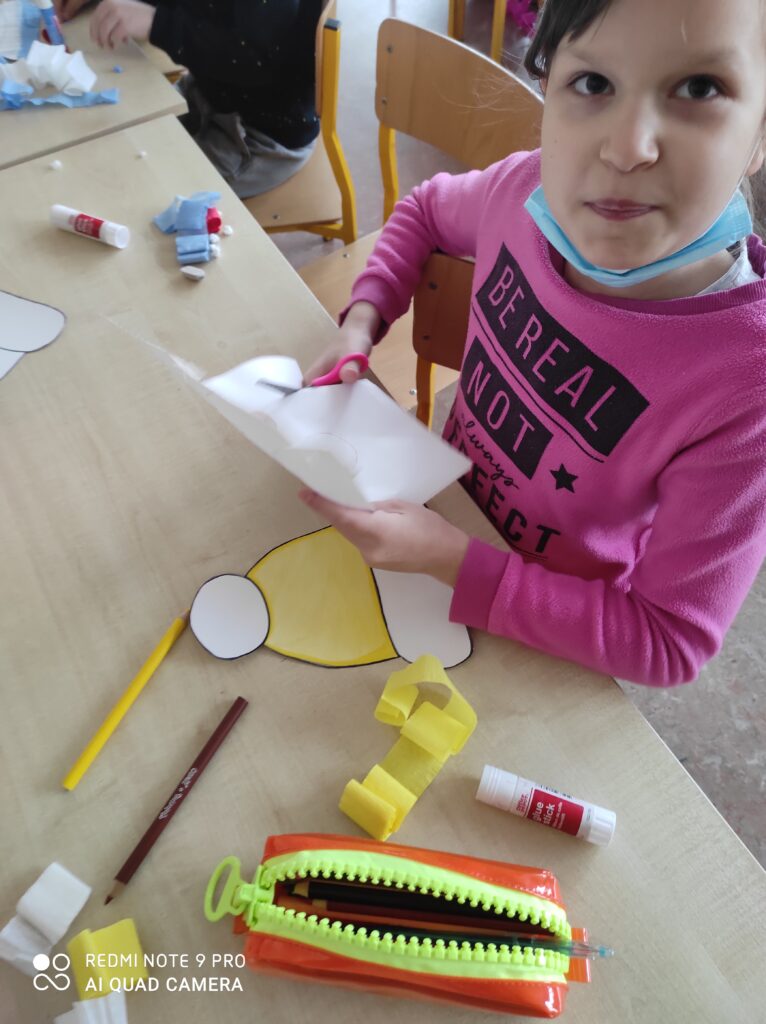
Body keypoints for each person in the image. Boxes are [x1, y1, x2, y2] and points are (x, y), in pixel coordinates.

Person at [300, 0, 766, 687]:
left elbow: (668, 641)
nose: (627, 148)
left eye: (699, 88)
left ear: (759, 135)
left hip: (546, 632)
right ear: (546, 90)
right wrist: (362, 320)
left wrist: (451, 560)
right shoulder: (520, 188)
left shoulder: (744, 379)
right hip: (433, 509)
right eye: (593, 83)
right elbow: (424, 210)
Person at [54, 0, 323, 198]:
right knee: (106, 150)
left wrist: (156, 23)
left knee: (135, 194)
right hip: (207, 93)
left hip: (260, 136)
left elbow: (258, 60)